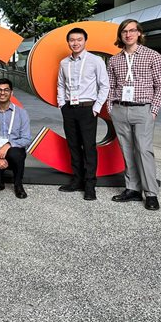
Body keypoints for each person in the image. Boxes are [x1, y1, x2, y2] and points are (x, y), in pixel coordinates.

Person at [107, 19, 161, 211]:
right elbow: (110, 86)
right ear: (120, 35)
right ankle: (132, 189)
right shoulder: (114, 60)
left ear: (139, 33)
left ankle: (151, 193)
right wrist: (110, 108)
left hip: (143, 109)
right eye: (124, 31)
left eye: (132, 30)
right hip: (120, 109)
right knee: (126, 150)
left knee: (144, 150)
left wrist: (154, 110)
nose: (128, 34)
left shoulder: (153, 56)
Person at [56, 27, 110, 201]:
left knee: (88, 147)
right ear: (68, 42)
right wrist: (61, 104)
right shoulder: (64, 63)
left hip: (88, 108)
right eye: (72, 40)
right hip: (69, 109)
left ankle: (90, 185)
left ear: (85, 41)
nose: (75, 43)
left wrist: (96, 108)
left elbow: (105, 85)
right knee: (73, 145)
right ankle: (76, 180)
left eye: (79, 39)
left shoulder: (95, 61)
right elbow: (60, 85)